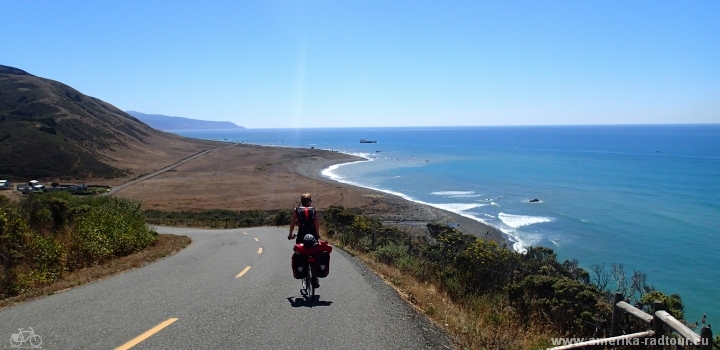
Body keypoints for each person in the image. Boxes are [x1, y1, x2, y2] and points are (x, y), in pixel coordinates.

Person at [288, 193, 320, 288]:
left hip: (301, 234)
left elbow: (292, 224)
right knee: (314, 252)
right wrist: (317, 235)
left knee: (301, 253)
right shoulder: (314, 210)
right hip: (313, 234)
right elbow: (317, 224)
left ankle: (303, 271)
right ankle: (314, 275)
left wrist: (290, 234)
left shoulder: (296, 210)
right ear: (310, 201)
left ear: (301, 202)